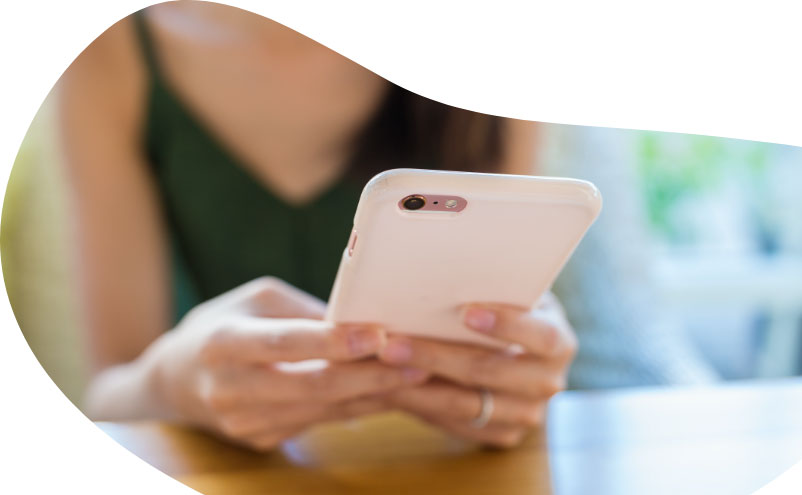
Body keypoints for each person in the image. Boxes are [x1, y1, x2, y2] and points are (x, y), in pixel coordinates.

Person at [59, 3, 575, 451]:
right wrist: (173, 385)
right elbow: (109, 395)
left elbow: (510, 329)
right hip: (237, 483)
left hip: (441, 473)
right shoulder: (111, 48)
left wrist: (517, 377)